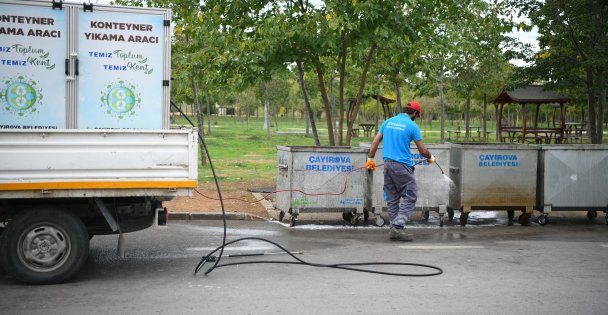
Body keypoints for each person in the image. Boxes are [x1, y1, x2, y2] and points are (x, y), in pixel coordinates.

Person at [365, 101, 434, 241]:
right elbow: (422, 150)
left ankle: (394, 229)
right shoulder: (412, 126)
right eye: (417, 115)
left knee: (392, 197)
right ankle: (398, 226)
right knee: (411, 195)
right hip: (402, 166)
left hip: (388, 165)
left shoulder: (388, 122)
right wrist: (430, 156)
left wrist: (370, 159)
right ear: (415, 113)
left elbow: (375, 142)